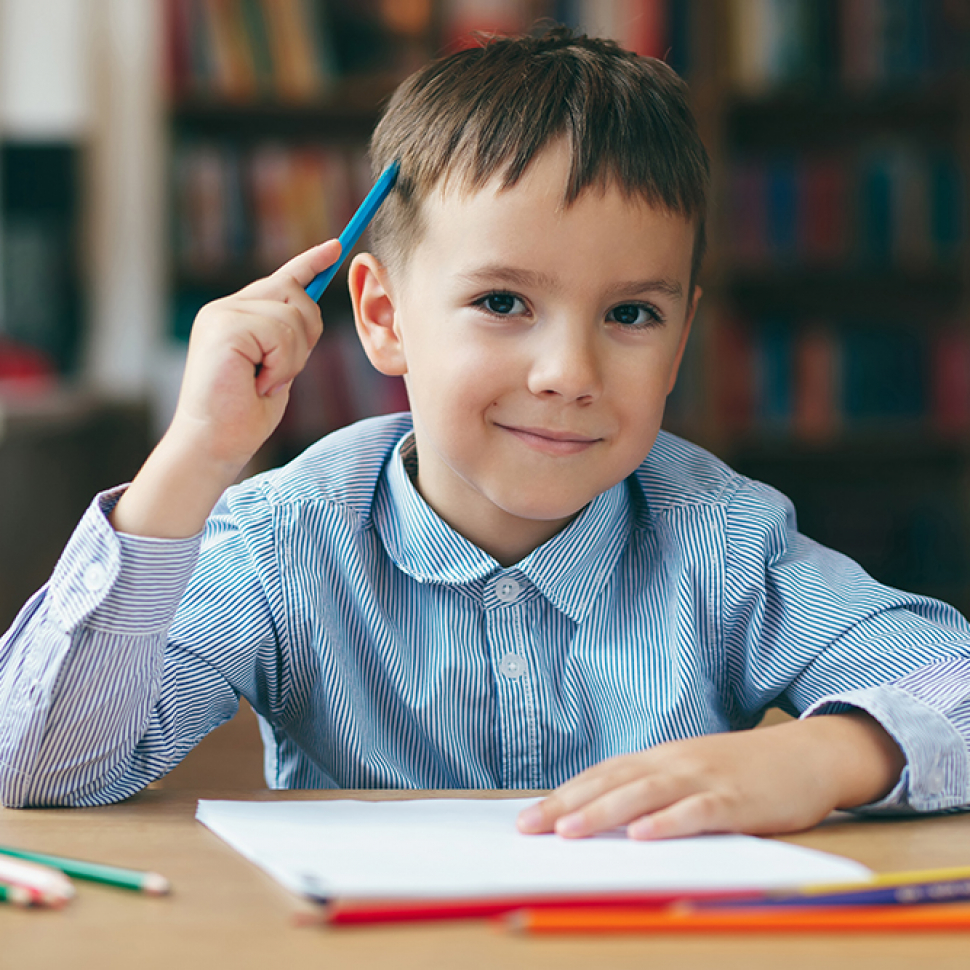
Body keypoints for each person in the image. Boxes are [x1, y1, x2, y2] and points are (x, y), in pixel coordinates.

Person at [1, 28, 968, 842]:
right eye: (502, 301)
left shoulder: (724, 540)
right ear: (382, 318)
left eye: (631, 315)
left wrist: (829, 752)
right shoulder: (282, 541)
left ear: (680, 344)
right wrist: (192, 460)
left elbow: (948, 684)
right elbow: (40, 766)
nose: (569, 374)